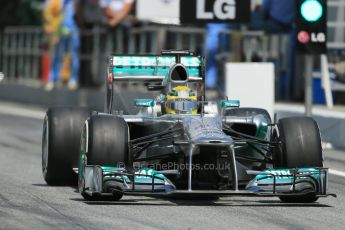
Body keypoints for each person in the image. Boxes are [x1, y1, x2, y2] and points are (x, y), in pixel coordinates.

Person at [44, 0, 80, 90]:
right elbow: (47, 13)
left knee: (74, 55)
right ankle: (53, 79)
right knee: (57, 55)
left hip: (73, 30)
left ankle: (73, 79)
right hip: (59, 29)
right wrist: (49, 26)